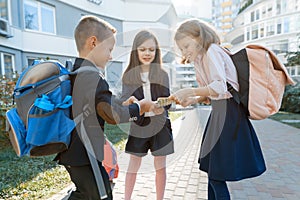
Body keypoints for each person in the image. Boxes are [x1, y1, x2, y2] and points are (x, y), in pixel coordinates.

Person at [55, 16, 158, 200]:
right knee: (101, 195)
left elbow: (100, 104)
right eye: (109, 49)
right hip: (83, 154)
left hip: (74, 152)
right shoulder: (92, 77)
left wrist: (125, 104)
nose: (111, 56)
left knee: (90, 194)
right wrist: (139, 108)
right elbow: (113, 116)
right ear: (93, 42)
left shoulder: (76, 72)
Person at [170, 19, 266, 199]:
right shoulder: (201, 58)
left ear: (200, 38)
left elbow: (220, 87)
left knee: (216, 174)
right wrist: (192, 100)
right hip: (221, 112)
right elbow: (213, 93)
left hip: (229, 114)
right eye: (181, 48)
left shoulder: (211, 51)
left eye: (187, 45)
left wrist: (190, 91)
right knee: (213, 172)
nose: (184, 51)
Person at [121, 30, 174, 200]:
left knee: (160, 167)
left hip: (160, 126)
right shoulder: (128, 76)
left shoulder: (163, 74)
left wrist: (160, 105)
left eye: (151, 50)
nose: (147, 53)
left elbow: (169, 101)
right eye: (142, 49)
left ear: (156, 52)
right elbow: (124, 102)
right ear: (135, 51)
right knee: (133, 165)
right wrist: (128, 103)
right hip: (139, 126)